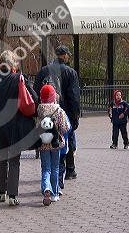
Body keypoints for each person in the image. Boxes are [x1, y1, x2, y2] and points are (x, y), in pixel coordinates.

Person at [0, 50, 38, 206]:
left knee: (2, 158)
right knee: (14, 160)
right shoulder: (19, 79)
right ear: (13, 63)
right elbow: (33, 99)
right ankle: (12, 195)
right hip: (15, 124)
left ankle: (1, 192)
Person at [34, 45, 80, 188]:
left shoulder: (43, 71)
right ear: (65, 56)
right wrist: (75, 116)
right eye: (68, 55)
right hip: (63, 113)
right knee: (67, 140)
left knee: (47, 143)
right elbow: (74, 97)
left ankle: (49, 176)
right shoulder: (70, 72)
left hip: (46, 114)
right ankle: (69, 170)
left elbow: (36, 94)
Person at [35, 85, 70, 206]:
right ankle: (54, 194)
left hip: (43, 144)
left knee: (46, 169)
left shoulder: (39, 110)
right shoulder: (59, 110)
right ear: (53, 96)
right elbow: (65, 127)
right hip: (56, 144)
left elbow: (36, 127)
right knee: (55, 168)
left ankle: (46, 189)